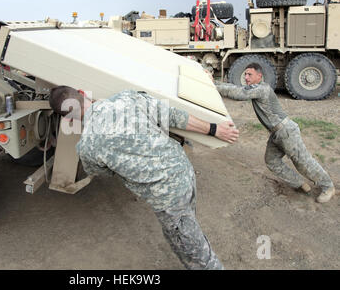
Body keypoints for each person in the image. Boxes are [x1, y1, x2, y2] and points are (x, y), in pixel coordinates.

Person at [48, 86, 239, 270]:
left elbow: (104, 173)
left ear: (68, 119)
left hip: (167, 196)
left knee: (193, 250)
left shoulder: (87, 146)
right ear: (82, 93)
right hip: (183, 171)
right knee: (185, 227)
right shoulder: (127, 98)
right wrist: (214, 129)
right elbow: (173, 116)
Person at [216, 63, 335, 203]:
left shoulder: (262, 89)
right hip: (276, 133)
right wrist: (213, 82)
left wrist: (214, 86)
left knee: (302, 162)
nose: (246, 77)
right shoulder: (255, 88)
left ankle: (328, 187)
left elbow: (238, 93)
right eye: (245, 74)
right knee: (271, 161)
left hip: (286, 131)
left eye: (250, 75)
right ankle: (300, 183)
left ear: (259, 76)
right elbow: (235, 87)